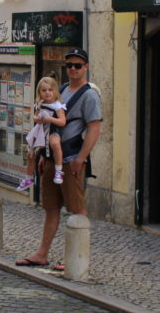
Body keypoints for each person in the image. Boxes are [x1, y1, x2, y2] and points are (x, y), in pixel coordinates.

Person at [16, 47, 102, 270]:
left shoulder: (89, 95)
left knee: (77, 208)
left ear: (86, 67)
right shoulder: (61, 89)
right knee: (51, 207)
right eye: (70, 65)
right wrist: (45, 154)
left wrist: (81, 158)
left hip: (71, 157)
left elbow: (94, 128)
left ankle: (75, 256)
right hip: (52, 158)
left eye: (78, 65)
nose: (73, 69)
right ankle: (42, 254)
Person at [16, 76, 67, 191]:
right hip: (40, 131)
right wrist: (37, 118)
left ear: (55, 91)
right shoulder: (39, 103)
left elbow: (62, 121)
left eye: (50, 89)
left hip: (53, 130)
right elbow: (34, 116)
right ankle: (28, 177)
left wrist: (50, 119)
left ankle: (59, 171)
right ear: (39, 92)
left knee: (55, 143)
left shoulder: (58, 106)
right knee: (31, 152)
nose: (47, 93)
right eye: (44, 90)